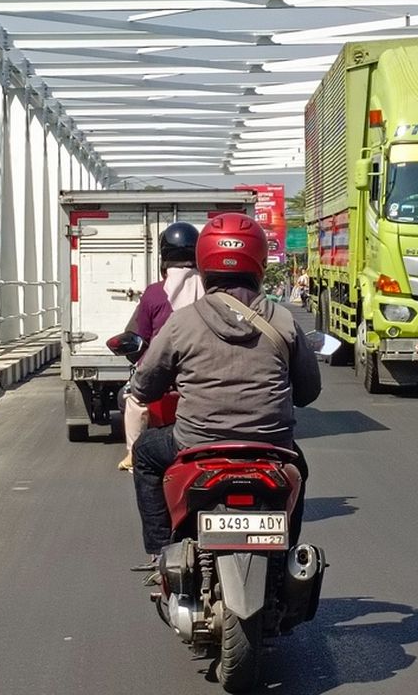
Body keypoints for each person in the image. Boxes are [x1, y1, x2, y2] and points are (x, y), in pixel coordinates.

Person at [129, 213, 322, 559]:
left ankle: (161, 554)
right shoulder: (283, 320)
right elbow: (309, 393)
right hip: (271, 446)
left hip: (196, 443)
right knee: (300, 470)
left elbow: (144, 388)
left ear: (204, 263)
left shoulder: (182, 322)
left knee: (145, 452)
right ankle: (289, 557)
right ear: (260, 262)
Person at [118, 222, 205, 471]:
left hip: (161, 369)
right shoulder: (211, 289)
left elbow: (138, 334)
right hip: (202, 368)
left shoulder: (155, 293)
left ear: (163, 258)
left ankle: (132, 455)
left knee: (135, 399)